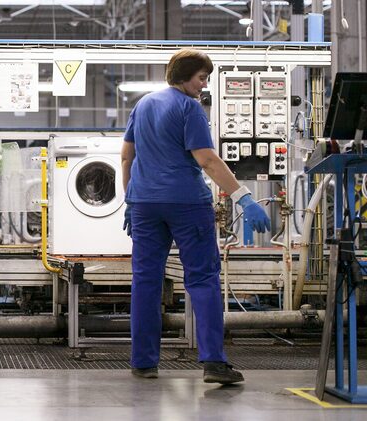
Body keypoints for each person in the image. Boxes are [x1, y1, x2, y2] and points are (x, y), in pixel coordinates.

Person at [121, 49, 271, 384]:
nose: (203, 86)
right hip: (186, 203)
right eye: (201, 78)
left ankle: (143, 362)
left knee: (145, 281)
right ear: (184, 76)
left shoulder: (143, 104)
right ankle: (214, 363)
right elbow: (207, 160)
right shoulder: (189, 108)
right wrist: (244, 198)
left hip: (145, 204)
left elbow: (126, 157)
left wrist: (131, 199)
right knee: (202, 280)